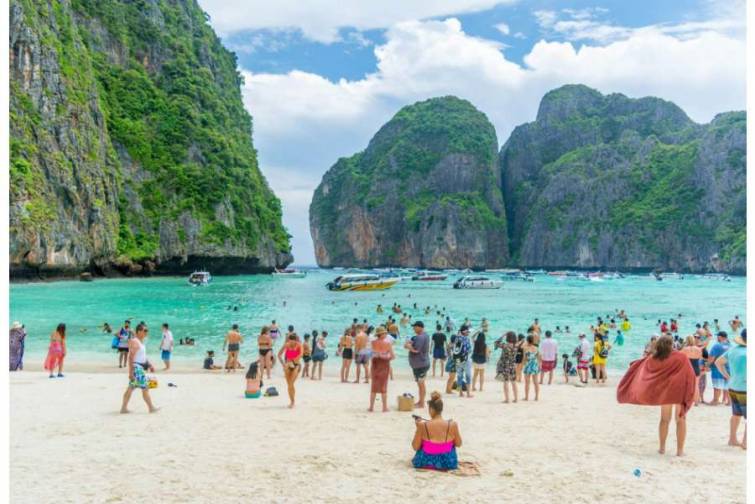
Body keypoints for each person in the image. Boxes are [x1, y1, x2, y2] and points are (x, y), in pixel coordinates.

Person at [617, 335, 695, 456]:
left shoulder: (654, 358)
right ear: (672, 345)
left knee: (664, 420)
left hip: (665, 393)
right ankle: (680, 451)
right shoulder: (681, 357)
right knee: (680, 419)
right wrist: (692, 392)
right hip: (679, 391)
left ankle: (662, 448)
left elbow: (641, 366)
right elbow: (690, 375)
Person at [411, 392, 462, 471]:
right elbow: (459, 444)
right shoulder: (453, 425)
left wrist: (418, 428)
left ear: (431, 409)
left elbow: (415, 446)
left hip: (426, 462)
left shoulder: (422, 425)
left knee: (423, 443)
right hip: (448, 463)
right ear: (441, 409)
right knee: (451, 443)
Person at [714, 329, 746, 449]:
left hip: (732, 386)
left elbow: (718, 363)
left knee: (736, 414)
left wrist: (727, 376)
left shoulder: (733, 349)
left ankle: (732, 439)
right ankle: (746, 443)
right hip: (745, 388)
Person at [120, 323, 158, 413]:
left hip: (139, 368)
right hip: (137, 369)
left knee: (131, 388)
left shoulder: (140, 342)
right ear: (139, 331)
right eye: (145, 331)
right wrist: (130, 373)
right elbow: (130, 357)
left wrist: (149, 365)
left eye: (147, 331)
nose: (146, 332)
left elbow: (142, 357)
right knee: (145, 388)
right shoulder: (135, 341)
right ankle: (151, 408)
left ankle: (123, 408)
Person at [369, 326, 395, 412]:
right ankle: (384, 407)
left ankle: (371, 407)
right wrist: (384, 356)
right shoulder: (388, 344)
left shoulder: (373, 343)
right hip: (384, 366)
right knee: (384, 386)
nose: (386, 334)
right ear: (382, 334)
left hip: (375, 365)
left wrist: (378, 355)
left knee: (374, 387)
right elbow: (392, 356)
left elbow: (371, 355)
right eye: (385, 333)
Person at [406, 321, 430, 408]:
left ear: (420, 327)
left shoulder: (419, 338)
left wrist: (408, 346)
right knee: (421, 384)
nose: (413, 329)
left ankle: (421, 403)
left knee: (421, 384)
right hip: (422, 363)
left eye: (415, 327)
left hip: (421, 364)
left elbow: (416, 350)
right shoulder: (426, 335)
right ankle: (421, 401)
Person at [277, 333, 303, 408]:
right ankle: (292, 401)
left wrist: (293, 361)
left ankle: (293, 401)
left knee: (291, 383)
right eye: (290, 340)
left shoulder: (299, 345)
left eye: (293, 341)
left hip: (296, 365)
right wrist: (283, 364)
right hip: (287, 366)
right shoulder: (286, 345)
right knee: (289, 385)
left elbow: (301, 354)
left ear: (295, 340)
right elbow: (279, 355)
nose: (291, 342)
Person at [708, 331, 731, 406]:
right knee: (727, 386)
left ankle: (715, 400)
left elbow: (711, 358)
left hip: (717, 368)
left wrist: (707, 365)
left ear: (720, 337)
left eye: (718, 336)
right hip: (728, 368)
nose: (717, 338)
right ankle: (729, 402)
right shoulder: (731, 346)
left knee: (717, 385)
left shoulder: (717, 346)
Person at [495, 331, 518, 403]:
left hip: (505, 366)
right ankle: (516, 398)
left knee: (506, 382)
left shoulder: (505, 346)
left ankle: (507, 399)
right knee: (514, 382)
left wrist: (503, 335)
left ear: (507, 338)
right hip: (512, 366)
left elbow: (496, 342)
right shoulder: (516, 346)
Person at [680, 336, 703, 404]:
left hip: (687, 368)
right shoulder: (698, 349)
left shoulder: (685, 349)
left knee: (686, 386)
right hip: (696, 368)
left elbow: (678, 356)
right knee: (696, 386)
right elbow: (700, 358)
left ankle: (686, 401)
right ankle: (696, 402)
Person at [452, 326, 473, 398]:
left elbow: (453, 349)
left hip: (457, 360)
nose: (468, 332)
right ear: (464, 331)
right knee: (468, 376)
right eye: (467, 331)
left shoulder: (456, 338)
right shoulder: (467, 339)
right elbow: (469, 350)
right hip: (465, 360)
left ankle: (460, 393)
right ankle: (468, 393)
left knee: (459, 376)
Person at [521, 334, 541, 401]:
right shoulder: (536, 348)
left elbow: (524, 358)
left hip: (528, 365)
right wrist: (539, 365)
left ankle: (526, 397)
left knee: (527, 383)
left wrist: (522, 365)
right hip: (534, 365)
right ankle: (537, 397)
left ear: (527, 340)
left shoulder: (525, 348)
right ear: (533, 341)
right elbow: (539, 358)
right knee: (536, 382)